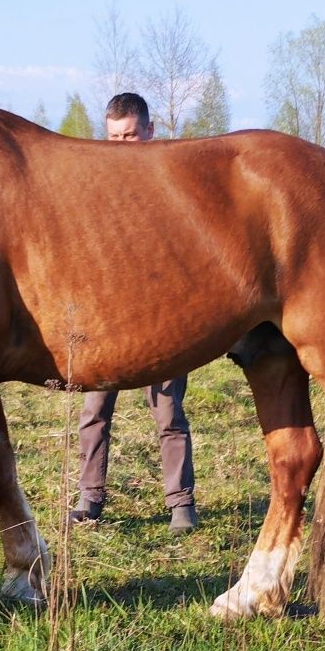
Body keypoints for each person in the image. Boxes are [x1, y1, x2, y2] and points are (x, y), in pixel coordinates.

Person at [69, 92, 198, 535]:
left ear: (149, 131)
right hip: (106, 325)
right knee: (94, 411)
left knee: (167, 412)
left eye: (129, 136)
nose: (121, 146)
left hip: (161, 323)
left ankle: (180, 503)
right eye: (112, 138)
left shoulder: (173, 189)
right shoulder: (96, 194)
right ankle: (89, 499)